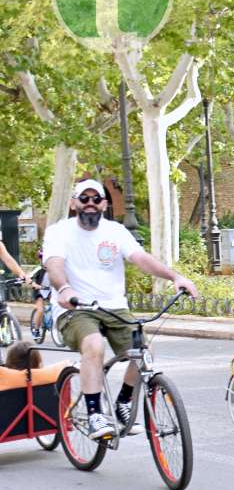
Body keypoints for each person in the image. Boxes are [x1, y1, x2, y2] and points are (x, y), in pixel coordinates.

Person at [43, 179, 198, 440]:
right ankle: (94, 415)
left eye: (96, 199)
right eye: (84, 199)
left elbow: (141, 259)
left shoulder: (115, 231)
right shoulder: (60, 232)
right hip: (75, 308)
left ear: (104, 203)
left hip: (114, 307)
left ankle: (123, 402)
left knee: (144, 351)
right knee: (93, 345)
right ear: (74, 203)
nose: (90, 204)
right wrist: (64, 289)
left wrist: (176, 277)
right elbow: (55, 264)